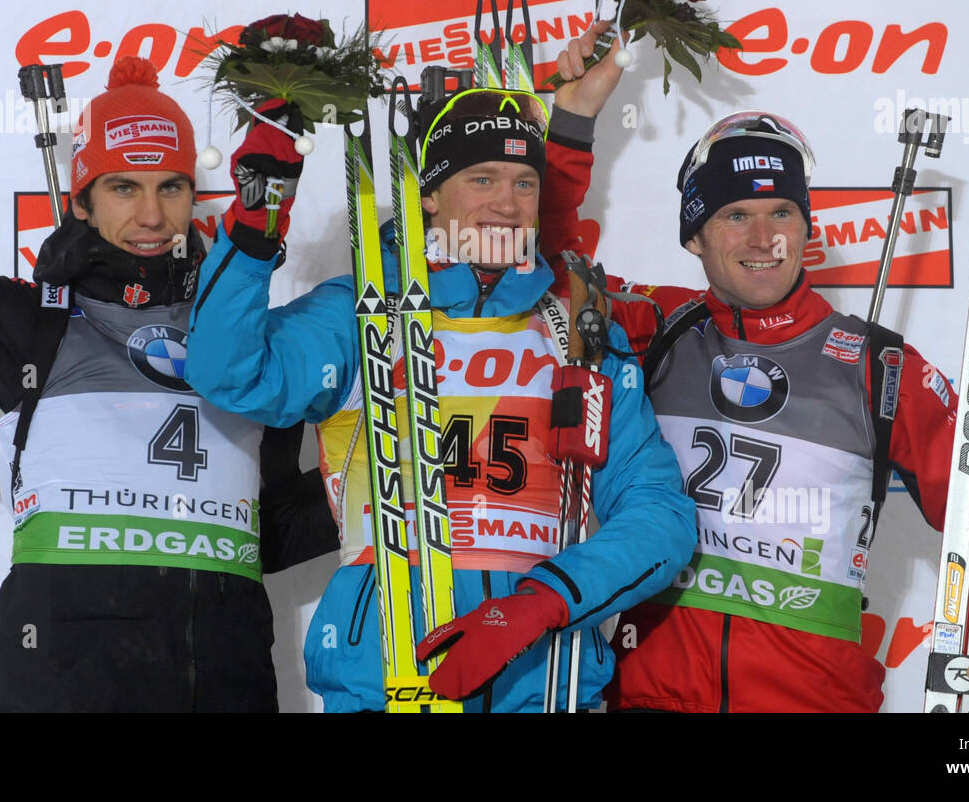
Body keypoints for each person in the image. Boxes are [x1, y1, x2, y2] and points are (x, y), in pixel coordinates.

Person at [539, 25, 969, 713]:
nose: (764, 238)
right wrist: (572, 122)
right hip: (656, 699)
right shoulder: (653, 330)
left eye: (783, 211)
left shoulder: (877, 364)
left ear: (808, 226)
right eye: (736, 216)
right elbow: (548, 275)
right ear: (693, 235)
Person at [0, 55, 333, 712]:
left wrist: (372, 491)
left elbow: (264, 532)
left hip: (220, 685)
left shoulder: (241, 347)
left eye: (172, 186)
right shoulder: (24, 327)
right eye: (125, 187)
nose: (152, 215)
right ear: (82, 201)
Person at [185, 84, 696, 712]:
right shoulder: (362, 311)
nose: (507, 204)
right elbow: (229, 371)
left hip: (542, 683)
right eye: (481, 180)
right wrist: (260, 222)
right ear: (428, 195)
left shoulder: (579, 331)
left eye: (524, 183)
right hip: (387, 679)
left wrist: (542, 602)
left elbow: (659, 517)